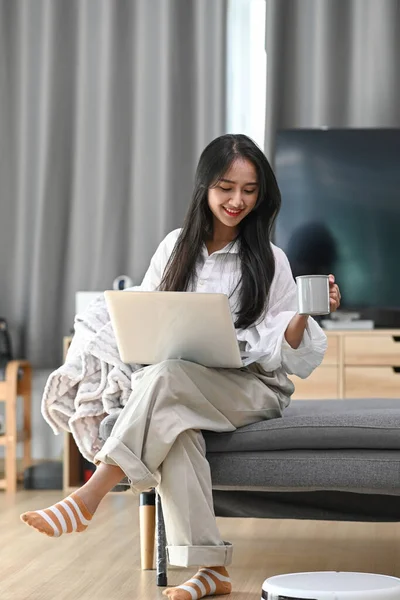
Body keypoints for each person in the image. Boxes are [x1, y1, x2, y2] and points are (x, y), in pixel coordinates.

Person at [21, 134, 341, 600]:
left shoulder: (271, 260)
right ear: (204, 187)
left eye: (249, 190)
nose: (237, 200)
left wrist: (304, 315)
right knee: (177, 422)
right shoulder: (175, 248)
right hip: (180, 383)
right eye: (225, 187)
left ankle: (91, 492)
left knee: (166, 379)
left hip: (253, 387)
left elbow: (284, 351)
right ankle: (210, 570)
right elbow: (146, 316)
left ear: (262, 194)